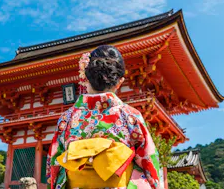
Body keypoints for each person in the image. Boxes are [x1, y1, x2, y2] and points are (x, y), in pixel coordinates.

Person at [46, 45, 160, 189]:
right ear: (119, 82)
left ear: (86, 77)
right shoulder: (130, 115)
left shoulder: (66, 118)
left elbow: (53, 166)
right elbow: (149, 161)